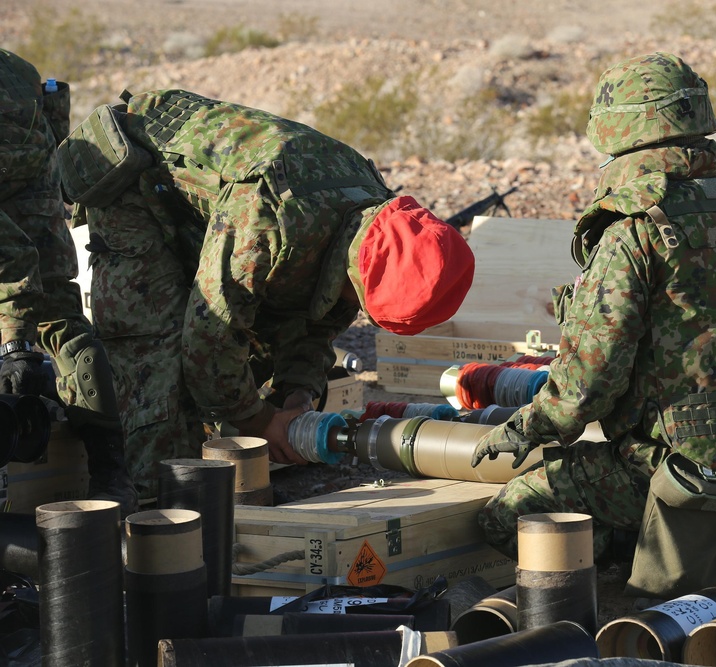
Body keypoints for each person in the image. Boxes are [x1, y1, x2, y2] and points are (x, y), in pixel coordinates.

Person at [471, 53, 716, 599]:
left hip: (676, 471)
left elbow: (589, 381)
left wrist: (525, 427)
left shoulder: (634, 226)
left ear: (618, 128)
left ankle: (643, 578)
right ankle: (698, 539)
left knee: (510, 515)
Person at [57, 89, 475, 501]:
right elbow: (210, 336)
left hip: (208, 204)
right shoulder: (271, 215)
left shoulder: (372, 230)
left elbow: (319, 319)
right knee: (157, 359)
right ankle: (151, 510)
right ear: (360, 268)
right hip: (135, 183)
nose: (353, 304)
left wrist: (297, 393)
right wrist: (256, 418)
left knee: (250, 356)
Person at [0, 49, 138, 512]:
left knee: (23, 330)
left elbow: (11, 260)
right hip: (38, 186)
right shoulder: (17, 66)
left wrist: (14, 342)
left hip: (30, 185)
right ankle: (111, 477)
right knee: (65, 325)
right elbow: (53, 128)